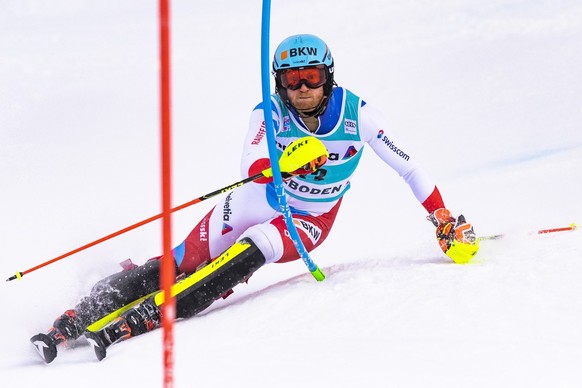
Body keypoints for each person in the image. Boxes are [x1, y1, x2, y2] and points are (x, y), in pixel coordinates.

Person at [31, 34, 479, 363]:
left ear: (329, 77)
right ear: (279, 83)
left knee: (254, 250)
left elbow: (410, 167)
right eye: (292, 79)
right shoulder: (268, 110)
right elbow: (252, 164)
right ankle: (78, 315)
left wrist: (440, 216)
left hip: (307, 219)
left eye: (312, 77)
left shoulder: (359, 115)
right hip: (257, 197)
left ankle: (150, 315)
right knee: (180, 261)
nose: (302, 88)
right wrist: (284, 165)